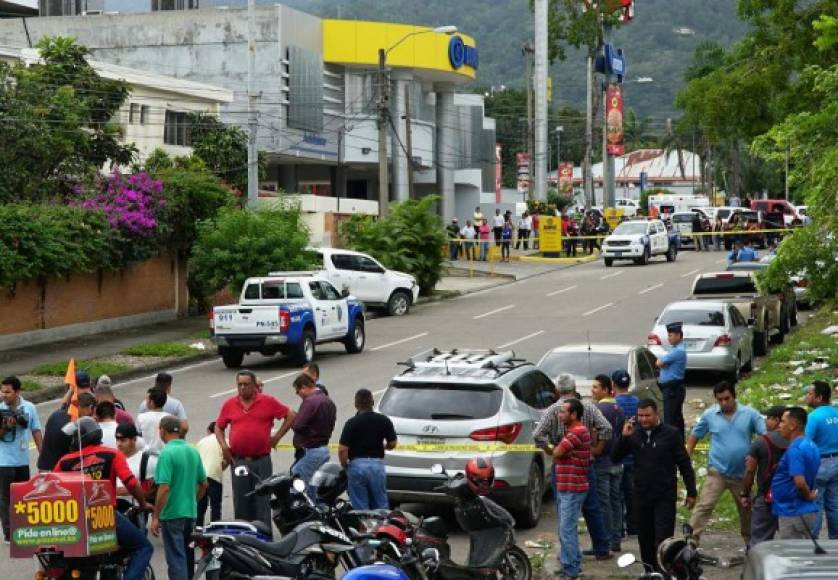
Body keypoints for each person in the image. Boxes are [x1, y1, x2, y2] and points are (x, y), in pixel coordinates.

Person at [55, 417, 153, 580]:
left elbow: (52, 487)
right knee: (143, 547)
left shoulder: (65, 461)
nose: (72, 440)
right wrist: (143, 503)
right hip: (104, 516)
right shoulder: (111, 454)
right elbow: (131, 482)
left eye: (74, 437)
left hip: (73, 520)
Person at [534, 373, 613, 561]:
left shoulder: (553, 410)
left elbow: (538, 434)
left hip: (562, 468)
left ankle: (569, 556)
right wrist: (597, 450)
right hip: (586, 466)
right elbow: (606, 428)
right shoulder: (588, 407)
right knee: (592, 508)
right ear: (575, 387)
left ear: (556, 390)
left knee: (565, 513)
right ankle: (602, 549)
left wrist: (549, 449)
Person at [612, 399, 697, 573]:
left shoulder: (671, 434)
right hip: (641, 496)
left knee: (663, 539)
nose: (643, 420)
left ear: (656, 413)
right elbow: (615, 457)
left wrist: (691, 491)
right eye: (640, 416)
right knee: (645, 539)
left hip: (664, 496)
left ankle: (664, 573)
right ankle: (650, 573)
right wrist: (623, 438)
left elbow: (684, 464)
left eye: (647, 415)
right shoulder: (634, 434)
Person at [687, 382, 766, 546]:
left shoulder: (750, 414)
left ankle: (751, 543)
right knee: (704, 505)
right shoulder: (710, 415)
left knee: (747, 510)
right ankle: (690, 542)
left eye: (727, 399)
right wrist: (688, 454)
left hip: (742, 474)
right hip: (718, 471)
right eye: (720, 400)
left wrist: (757, 456)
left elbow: (764, 435)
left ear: (734, 396)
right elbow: (695, 435)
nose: (724, 403)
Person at [215, 370, 295, 528]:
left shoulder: (267, 401)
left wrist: (277, 436)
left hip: (261, 460)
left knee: (262, 500)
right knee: (241, 500)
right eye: (240, 384)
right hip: (239, 461)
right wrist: (224, 446)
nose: (242, 388)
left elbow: (290, 415)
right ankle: (244, 536)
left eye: (246, 384)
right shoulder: (230, 404)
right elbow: (219, 426)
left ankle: (263, 537)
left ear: (254, 386)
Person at [151, 416, 208, 580]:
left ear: (162, 430)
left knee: (176, 559)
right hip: (190, 513)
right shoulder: (192, 451)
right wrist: (193, 500)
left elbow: (164, 487)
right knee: (187, 556)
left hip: (172, 514)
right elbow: (204, 484)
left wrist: (155, 516)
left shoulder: (167, 453)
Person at [0, 376, 43, 543]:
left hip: (22, 460)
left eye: (8, 392)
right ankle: (9, 532)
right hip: (3, 461)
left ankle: (23, 528)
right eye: (2, 391)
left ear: (18, 392)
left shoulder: (29, 408)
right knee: (5, 498)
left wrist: (43, 454)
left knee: (24, 496)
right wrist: (5, 426)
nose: (4, 395)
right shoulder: (0, 409)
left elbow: (36, 430)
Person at [338, 389, 397, 509]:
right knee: (380, 502)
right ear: (373, 402)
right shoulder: (384, 420)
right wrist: (384, 447)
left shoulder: (351, 423)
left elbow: (342, 449)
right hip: (377, 466)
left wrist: (345, 465)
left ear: (356, 404)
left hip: (357, 466)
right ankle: (381, 526)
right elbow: (393, 443)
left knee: (360, 504)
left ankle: (364, 525)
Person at [553, 398, 591, 580]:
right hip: (566, 487)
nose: (560, 415)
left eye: (563, 412)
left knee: (566, 529)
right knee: (567, 528)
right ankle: (571, 562)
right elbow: (560, 453)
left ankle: (571, 570)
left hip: (572, 489)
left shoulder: (576, 432)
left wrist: (558, 451)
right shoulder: (572, 432)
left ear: (574, 414)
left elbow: (557, 453)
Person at [739, 405, 788, 546]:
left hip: (766, 498)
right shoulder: (798, 440)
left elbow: (749, 471)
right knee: (792, 543)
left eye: (768, 419)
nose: (766, 422)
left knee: (759, 542)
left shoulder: (761, 441)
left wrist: (745, 494)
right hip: (790, 499)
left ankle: (757, 567)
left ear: (777, 420)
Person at [771, 407, 820, 539]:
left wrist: (808, 495)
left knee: (792, 556)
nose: (779, 425)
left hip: (793, 511)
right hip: (804, 511)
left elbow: (799, 481)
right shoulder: (811, 444)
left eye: (782, 421)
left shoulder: (795, 449)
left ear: (792, 425)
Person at [591, 374, 625, 552]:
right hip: (617, 462)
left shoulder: (598, 409)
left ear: (605, 389)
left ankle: (606, 540)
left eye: (596, 387)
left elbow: (595, 434)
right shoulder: (619, 408)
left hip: (602, 462)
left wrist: (593, 448)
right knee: (616, 501)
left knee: (603, 503)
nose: (592, 390)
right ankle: (616, 540)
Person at [291, 373, 336, 496]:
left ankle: (302, 513)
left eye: (298, 390)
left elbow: (298, 426)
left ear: (305, 387)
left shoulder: (310, 402)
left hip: (311, 450)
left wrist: (293, 418)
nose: (297, 394)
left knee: (297, 480)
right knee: (312, 485)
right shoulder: (328, 401)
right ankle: (315, 510)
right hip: (323, 449)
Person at [804, 380, 838, 539]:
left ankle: (813, 542)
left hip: (821, 464)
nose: (807, 397)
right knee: (834, 505)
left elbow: (805, 443)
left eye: (810, 394)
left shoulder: (813, 417)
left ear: (819, 398)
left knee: (815, 505)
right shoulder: (836, 413)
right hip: (837, 462)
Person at [37, 392, 96, 472]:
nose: (91, 416)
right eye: (92, 413)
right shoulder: (74, 425)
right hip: (58, 471)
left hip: (43, 467)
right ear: (90, 407)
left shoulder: (57, 414)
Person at [115, 422, 156, 533]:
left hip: (136, 513)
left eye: (123, 440)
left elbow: (153, 491)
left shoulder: (147, 461)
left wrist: (130, 490)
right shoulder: (112, 458)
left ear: (134, 439)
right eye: (117, 440)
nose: (119, 444)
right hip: (113, 512)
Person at [611, 370, 638, 537]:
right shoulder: (637, 402)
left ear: (613, 385)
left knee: (616, 496)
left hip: (618, 455)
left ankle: (618, 529)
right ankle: (633, 527)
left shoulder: (614, 404)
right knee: (631, 494)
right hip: (634, 456)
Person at [655, 321, 687, 436]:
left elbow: (658, 363)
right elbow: (662, 363)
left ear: (678, 335)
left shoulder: (678, 351)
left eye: (671, 335)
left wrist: (662, 363)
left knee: (670, 419)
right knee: (676, 418)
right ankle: (679, 442)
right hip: (673, 388)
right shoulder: (675, 349)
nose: (669, 338)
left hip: (673, 389)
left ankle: (672, 445)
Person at [196, 422, 226, 526]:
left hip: (201, 476)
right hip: (214, 476)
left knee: (200, 506)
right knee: (215, 506)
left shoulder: (201, 441)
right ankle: (215, 530)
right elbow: (226, 460)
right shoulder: (223, 441)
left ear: (208, 431)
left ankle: (198, 529)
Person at [137, 387, 169, 454]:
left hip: (147, 455)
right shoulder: (170, 417)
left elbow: (137, 437)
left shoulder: (141, 417)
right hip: (165, 454)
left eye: (147, 399)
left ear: (151, 402)